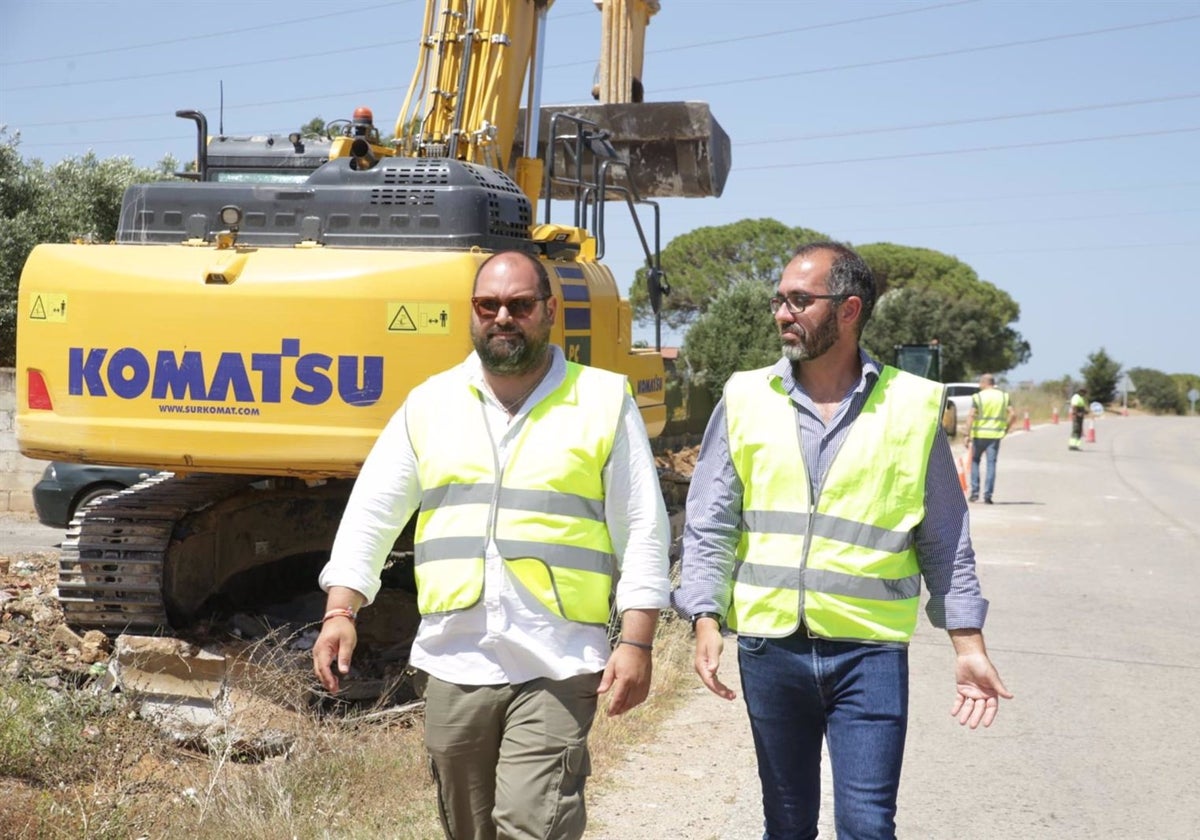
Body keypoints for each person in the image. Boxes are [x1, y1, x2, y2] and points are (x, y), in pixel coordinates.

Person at [313, 250, 671, 840]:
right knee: (468, 830)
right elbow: (372, 514)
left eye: (520, 305)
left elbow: (642, 531)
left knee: (534, 824)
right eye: (489, 305)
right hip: (455, 658)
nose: (503, 317)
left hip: (557, 657)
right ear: (472, 314)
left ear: (548, 311)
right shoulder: (429, 402)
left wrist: (637, 641)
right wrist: (341, 610)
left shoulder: (604, 401)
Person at [674, 241, 1012, 840]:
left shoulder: (911, 406)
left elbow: (946, 539)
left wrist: (967, 644)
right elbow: (710, 519)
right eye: (778, 299)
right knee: (787, 824)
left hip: (869, 652)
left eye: (800, 300)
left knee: (866, 825)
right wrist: (705, 615)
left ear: (849, 309)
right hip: (769, 649)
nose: (782, 313)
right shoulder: (746, 396)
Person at [965, 373, 1016, 504]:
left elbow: (971, 415)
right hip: (995, 436)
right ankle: (988, 495)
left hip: (979, 435)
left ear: (984, 383)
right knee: (991, 464)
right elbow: (1013, 414)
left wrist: (967, 434)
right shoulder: (1004, 396)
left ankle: (975, 493)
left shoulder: (978, 397)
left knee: (975, 461)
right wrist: (1006, 428)